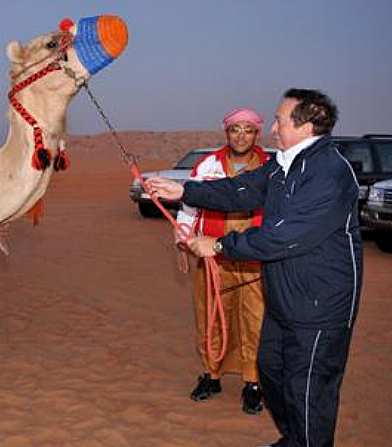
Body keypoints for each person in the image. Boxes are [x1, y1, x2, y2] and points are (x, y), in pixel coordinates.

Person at [146, 89, 362, 447]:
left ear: (306, 125)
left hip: (319, 306)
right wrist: (184, 191)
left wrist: (217, 245)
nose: (272, 127)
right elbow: (241, 189)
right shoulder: (283, 164)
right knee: (272, 371)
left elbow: (282, 237)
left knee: (309, 392)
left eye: (279, 119)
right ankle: (295, 439)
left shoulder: (329, 173)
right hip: (284, 299)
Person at [176, 108, 269, 415]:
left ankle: (252, 383)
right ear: (226, 132)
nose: (241, 135)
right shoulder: (208, 165)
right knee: (211, 316)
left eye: (248, 130)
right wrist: (184, 239)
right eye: (235, 129)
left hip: (254, 259)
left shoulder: (271, 167)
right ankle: (211, 375)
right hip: (213, 256)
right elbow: (190, 204)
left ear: (257, 133)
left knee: (254, 319)